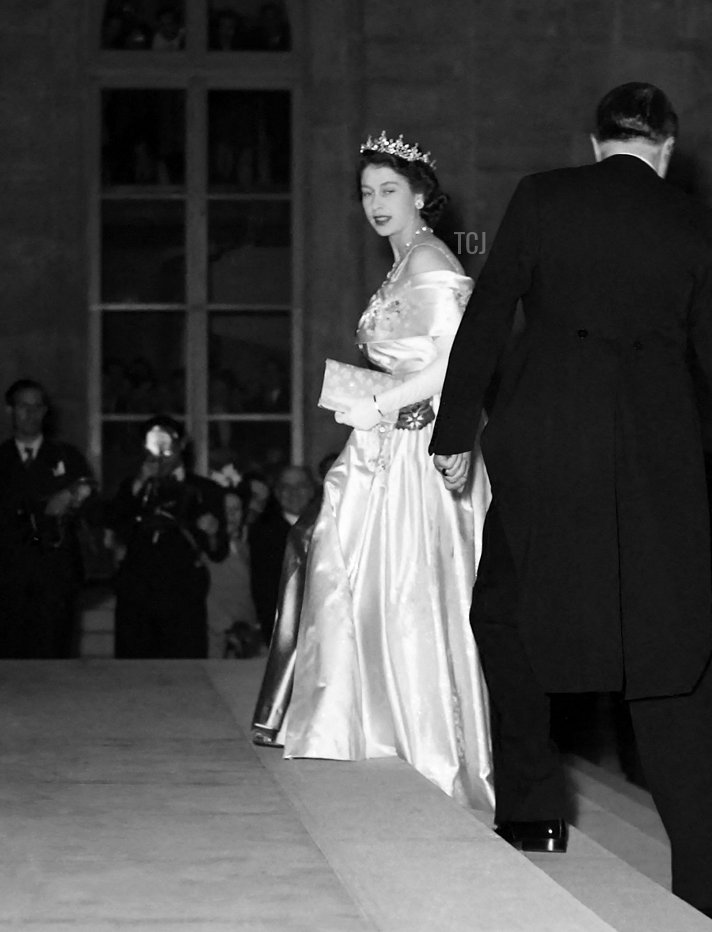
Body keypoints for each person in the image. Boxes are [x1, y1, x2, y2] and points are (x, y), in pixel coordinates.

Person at [428, 82, 712, 921]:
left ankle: (530, 811)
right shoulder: (697, 228)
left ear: (594, 141)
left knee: (507, 616)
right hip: (654, 456)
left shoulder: (542, 196)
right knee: (676, 656)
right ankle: (704, 878)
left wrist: (453, 433)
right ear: (667, 149)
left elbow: (487, 317)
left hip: (543, 443)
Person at [274, 133, 493, 812]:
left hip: (420, 446)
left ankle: (432, 746)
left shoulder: (429, 261)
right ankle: (371, 725)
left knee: (410, 589)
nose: (375, 203)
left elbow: (458, 361)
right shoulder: (400, 265)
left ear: (421, 194)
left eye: (389, 190)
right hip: (384, 442)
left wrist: (382, 401)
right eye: (367, 192)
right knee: (357, 576)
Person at [106, 416, 228, 658]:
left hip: (183, 595)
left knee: (185, 671)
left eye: (167, 441)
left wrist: (212, 531)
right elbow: (116, 522)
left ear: (181, 444)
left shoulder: (206, 489)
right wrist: (142, 481)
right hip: (136, 595)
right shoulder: (131, 487)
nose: (162, 451)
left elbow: (218, 550)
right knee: (133, 672)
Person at [0, 379, 94, 658]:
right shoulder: (1, 459)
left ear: (45, 411)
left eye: (37, 406)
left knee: (54, 657)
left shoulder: (67, 456)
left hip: (55, 579)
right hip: (9, 580)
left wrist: (74, 496)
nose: (30, 413)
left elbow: (94, 509)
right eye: (22, 406)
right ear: (10, 411)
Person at [249, 464, 316, 643]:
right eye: (286, 487)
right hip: (282, 633)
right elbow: (264, 590)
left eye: (300, 486)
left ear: (311, 491)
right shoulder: (263, 534)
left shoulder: (329, 527)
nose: (294, 492)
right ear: (278, 493)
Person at [203, 481, 257, 658]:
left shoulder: (246, 545)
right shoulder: (205, 549)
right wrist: (227, 627)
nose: (231, 515)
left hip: (246, 635)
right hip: (214, 637)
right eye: (225, 509)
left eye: (237, 509)